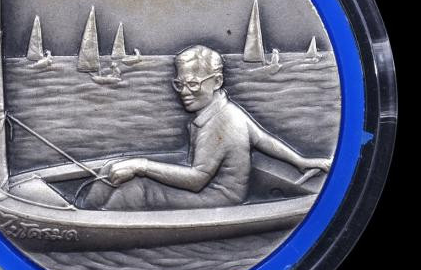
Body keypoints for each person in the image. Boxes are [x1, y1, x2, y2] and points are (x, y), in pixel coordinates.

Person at [78, 45, 330, 211]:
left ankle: (93, 225)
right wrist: (300, 161)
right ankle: (84, 211)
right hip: (207, 187)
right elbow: (263, 139)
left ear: (217, 81)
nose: (184, 92)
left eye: (193, 84)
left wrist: (141, 165)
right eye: (179, 84)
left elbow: (196, 180)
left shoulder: (221, 121)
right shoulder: (227, 111)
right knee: (111, 168)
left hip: (218, 197)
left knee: (138, 189)